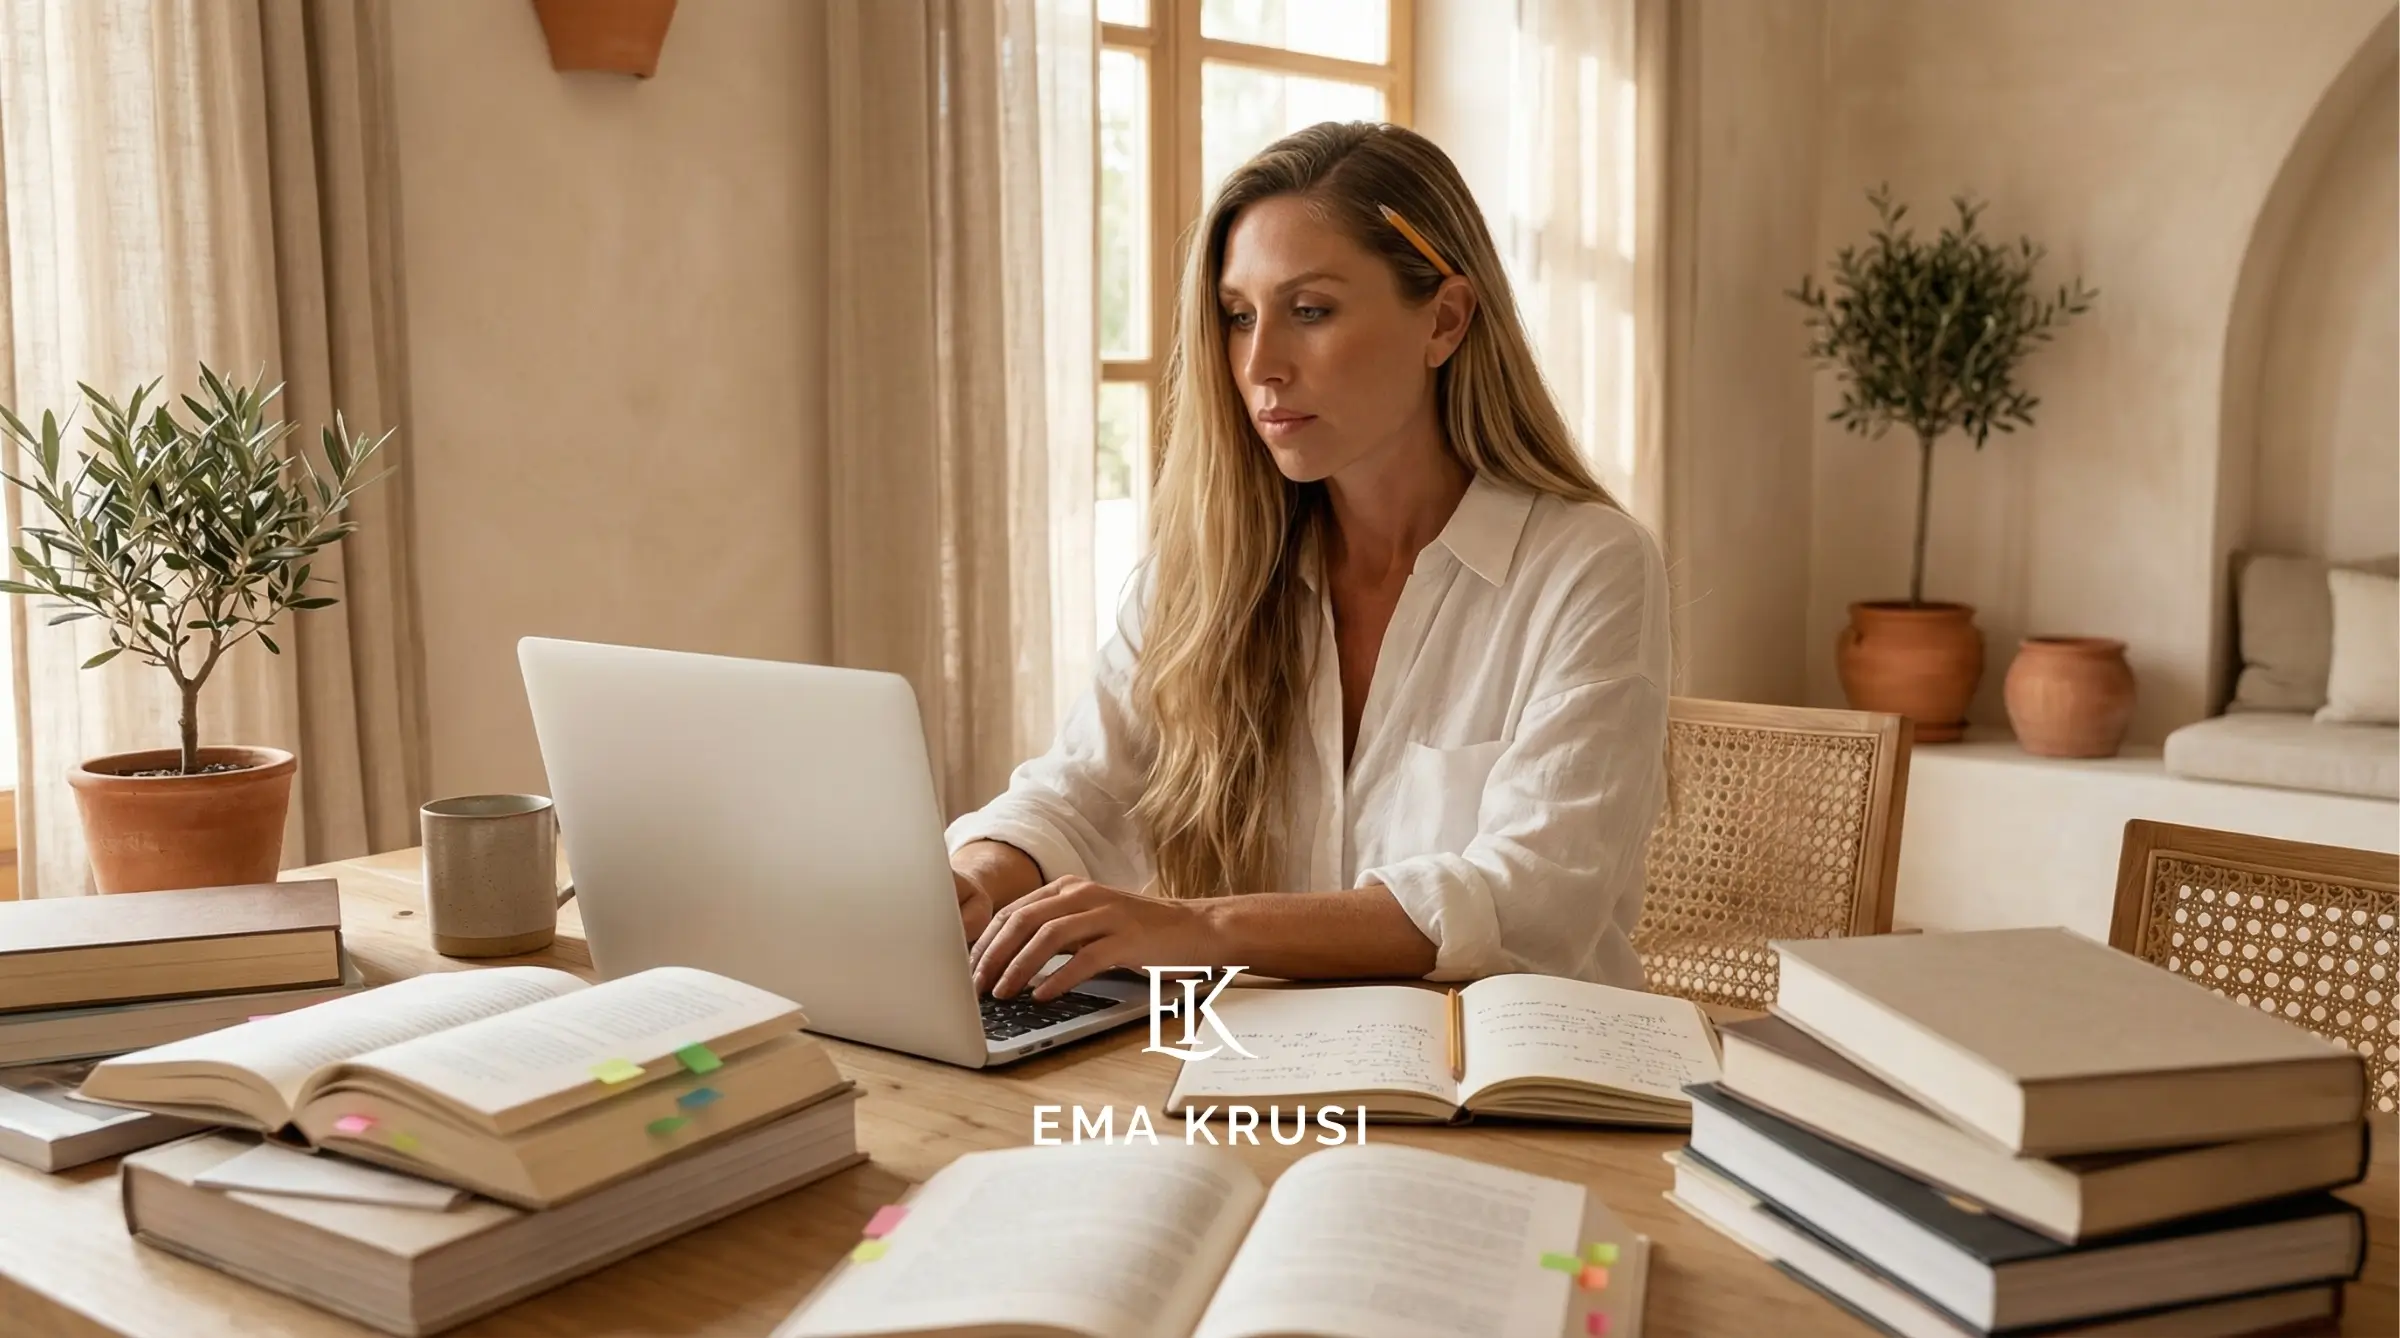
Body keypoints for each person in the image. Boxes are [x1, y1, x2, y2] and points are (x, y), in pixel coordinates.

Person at [954, 121, 1669, 1002]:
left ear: (1444, 320)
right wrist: (982, 875)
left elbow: (1530, 897)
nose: (1260, 365)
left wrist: (1198, 928)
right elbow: (1081, 793)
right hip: (1254, 1075)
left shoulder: (1588, 566)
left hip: (1514, 1094)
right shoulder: (1206, 574)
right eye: (1238, 316)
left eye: (1311, 311)